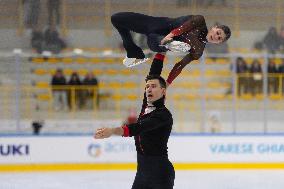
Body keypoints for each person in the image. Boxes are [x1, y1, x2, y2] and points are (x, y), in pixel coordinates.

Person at [94, 53, 175, 189]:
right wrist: (161, 53)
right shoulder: (147, 106)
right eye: (147, 87)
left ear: (163, 91)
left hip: (160, 173)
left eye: (153, 86)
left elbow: (138, 128)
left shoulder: (164, 115)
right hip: (142, 173)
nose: (149, 89)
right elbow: (153, 74)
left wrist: (113, 131)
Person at [111, 12, 231, 84]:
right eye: (218, 32)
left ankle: (168, 45)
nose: (216, 36)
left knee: (154, 41)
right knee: (116, 18)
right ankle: (132, 49)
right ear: (214, 27)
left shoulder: (198, 50)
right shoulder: (200, 20)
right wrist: (171, 35)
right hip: (158, 24)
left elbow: (180, 66)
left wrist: (167, 84)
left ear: (218, 43)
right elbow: (184, 27)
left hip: (159, 40)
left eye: (219, 38)